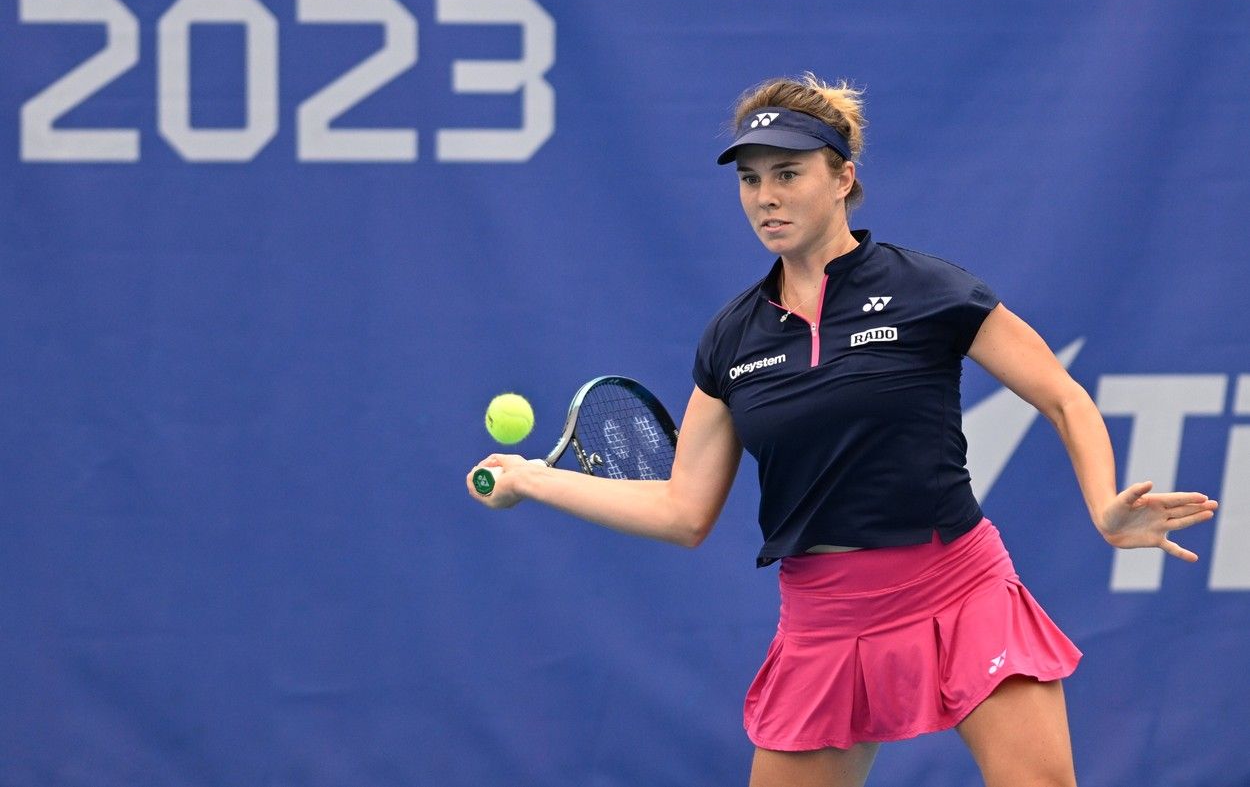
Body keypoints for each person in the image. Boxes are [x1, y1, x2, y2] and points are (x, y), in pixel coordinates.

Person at [465, 73, 1218, 787]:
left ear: (843, 178)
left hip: (957, 585)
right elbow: (682, 510)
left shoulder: (928, 291)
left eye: (787, 173)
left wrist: (1104, 504)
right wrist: (533, 477)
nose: (766, 196)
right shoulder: (730, 340)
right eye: (750, 178)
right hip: (823, 617)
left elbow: (1061, 396)